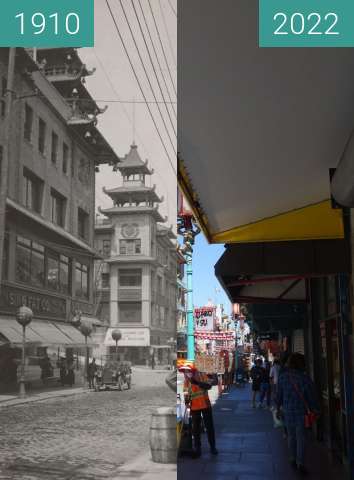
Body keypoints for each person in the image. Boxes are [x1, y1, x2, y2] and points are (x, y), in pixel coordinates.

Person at [276, 353, 319, 475]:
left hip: (287, 412)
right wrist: (315, 409)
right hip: (302, 413)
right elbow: (311, 396)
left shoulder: (283, 377)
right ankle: (300, 463)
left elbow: (278, 395)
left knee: (291, 436)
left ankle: (292, 459)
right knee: (301, 438)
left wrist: (278, 408)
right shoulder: (305, 379)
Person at [183, 365, 218, 457]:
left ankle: (213, 447)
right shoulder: (186, 381)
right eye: (186, 372)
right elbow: (186, 393)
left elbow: (209, 386)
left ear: (193, 371)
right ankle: (197, 448)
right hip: (194, 408)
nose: (187, 373)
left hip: (205, 405)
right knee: (196, 430)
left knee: (209, 427)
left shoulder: (202, 376)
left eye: (188, 371)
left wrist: (197, 382)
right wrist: (186, 401)